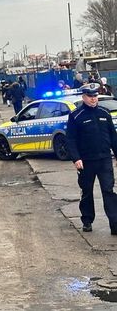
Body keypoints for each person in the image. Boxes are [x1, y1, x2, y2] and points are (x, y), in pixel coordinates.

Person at [65, 84, 117, 234]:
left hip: (104, 159)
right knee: (87, 191)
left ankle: (115, 224)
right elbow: (71, 140)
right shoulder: (76, 116)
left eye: (95, 96)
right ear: (84, 97)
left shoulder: (104, 113)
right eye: (90, 96)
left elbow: (113, 136)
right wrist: (76, 158)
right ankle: (87, 221)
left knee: (108, 191)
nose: (93, 99)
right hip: (86, 161)